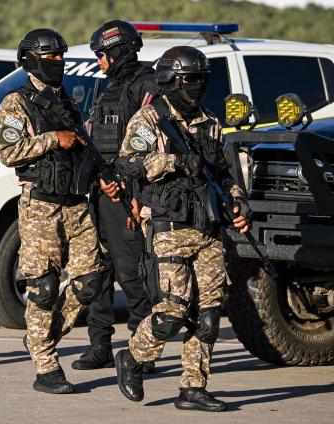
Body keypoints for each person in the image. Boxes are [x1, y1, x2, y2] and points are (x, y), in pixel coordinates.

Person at [107, 46, 250, 411]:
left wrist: (237, 202)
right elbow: (127, 164)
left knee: (208, 314)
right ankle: (133, 359)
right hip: (169, 225)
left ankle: (193, 387)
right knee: (172, 313)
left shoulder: (211, 122)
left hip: (208, 229)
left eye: (202, 80)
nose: (197, 87)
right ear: (171, 79)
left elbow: (223, 174)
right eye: (190, 79)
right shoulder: (149, 120)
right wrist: (174, 160)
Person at [0, 28, 105, 394]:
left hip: (76, 204)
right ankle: (45, 367)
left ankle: (43, 336)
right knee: (42, 287)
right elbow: (8, 152)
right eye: (50, 57)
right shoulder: (17, 103)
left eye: (61, 57)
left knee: (89, 282)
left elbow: (83, 148)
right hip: (41, 206)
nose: (57, 63)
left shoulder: (67, 102)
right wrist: (52, 139)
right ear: (30, 59)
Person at [71, 20, 157, 373]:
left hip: (129, 193)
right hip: (100, 192)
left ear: (119, 51)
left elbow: (148, 140)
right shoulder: (109, 88)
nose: (99, 61)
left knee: (132, 273)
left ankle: (141, 352)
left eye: (103, 54)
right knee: (97, 273)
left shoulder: (147, 85)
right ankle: (100, 346)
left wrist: (124, 183)